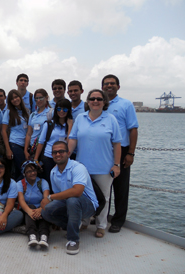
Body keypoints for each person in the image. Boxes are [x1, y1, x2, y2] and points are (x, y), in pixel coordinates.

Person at [68, 89, 122, 238]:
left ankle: (101, 225)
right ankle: (84, 222)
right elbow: (73, 138)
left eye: (99, 99)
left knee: (104, 198)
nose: (95, 101)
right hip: (82, 167)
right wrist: (66, 154)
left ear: (104, 102)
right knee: (83, 196)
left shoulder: (111, 119)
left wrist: (116, 164)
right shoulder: (80, 118)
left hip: (103, 167)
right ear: (88, 101)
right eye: (92, 99)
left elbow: (117, 143)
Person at [41, 141, 99, 255]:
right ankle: (74, 224)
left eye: (61, 151)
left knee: (73, 200)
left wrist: (49, 197)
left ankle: (73, 240)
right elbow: (60, 198)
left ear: (68, 153)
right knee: (46, 211)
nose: (58, 154)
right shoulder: (53, 172)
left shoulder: (78, 167)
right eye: (55, 152)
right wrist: (47, 204)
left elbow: (77, 192)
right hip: (69, 203)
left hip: (87, 205)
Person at [102, 74, 139, 233]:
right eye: (106, 84)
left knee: (120, 188)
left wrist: (131, 153)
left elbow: (133, 129)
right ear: (102, 86)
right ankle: (101, 217)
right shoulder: (98, 104)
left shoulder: (126, 105)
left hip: (122, 150)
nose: (109, 86)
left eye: (112, 83)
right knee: (103, 187)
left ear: (118, 86)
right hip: (103, 151)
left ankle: (118, 220)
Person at [34, 99, 73, 191]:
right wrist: (35, 159)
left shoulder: (71, 125)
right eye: (59, 109)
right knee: (48, 181)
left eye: (65, 109)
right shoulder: (49, 124)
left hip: (63, 157)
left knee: (62, 182)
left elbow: (69, 141)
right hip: (48, 157)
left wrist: (70, 126)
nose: (62, 111)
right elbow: (41, 142)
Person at [17, 160, 51, 247]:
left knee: (44, 208)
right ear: (24, 173)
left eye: (34, 170)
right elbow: (21, 200)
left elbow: (46, 199)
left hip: (41, 208)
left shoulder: (42, 182)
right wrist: (30, 211)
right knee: (31, 206)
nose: (32, 173)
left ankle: (44, 236)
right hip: (27, 209)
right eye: (29, 171)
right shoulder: (20, 184)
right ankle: (32, 235)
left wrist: (40, 210)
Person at [1, 90, 29, 181]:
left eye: (16, 97)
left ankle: (17, 191)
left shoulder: (26, 111)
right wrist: (8, 149)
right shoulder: (8, 112)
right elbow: (3, 131)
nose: (15, 100)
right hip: (15, 144)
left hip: (25, 145)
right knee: (24, 169)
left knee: (18, 170)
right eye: (12, 99)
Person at [24, 89, 51, 161]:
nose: (38, 100)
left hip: (45, 148)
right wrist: (25, 150)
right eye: (36, 98)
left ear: (46, 98)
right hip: (32, 147)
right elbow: (29, 133)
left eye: (41, 98)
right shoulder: (32, 115)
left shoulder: (51, 113)